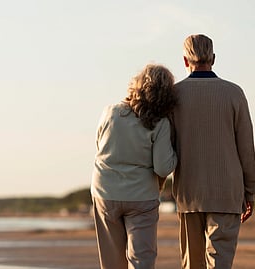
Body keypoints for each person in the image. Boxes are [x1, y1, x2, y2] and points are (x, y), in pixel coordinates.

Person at [172, 34, 255, 269]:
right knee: (220, 264)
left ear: (184, 60)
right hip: (227, 192)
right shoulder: (234, 93)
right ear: (214, 58)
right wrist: (250, 191)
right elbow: (246, 148)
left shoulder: (174, 95)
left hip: (189, 193)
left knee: (192, 264)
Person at [91, 64, 178, 269]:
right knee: (142, 260)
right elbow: (163, 168)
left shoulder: (110, 112)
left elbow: (99, 145)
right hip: (141, 196)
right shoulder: (160, 123)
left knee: (111, 261)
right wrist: (176, 154)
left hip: (105, 192)